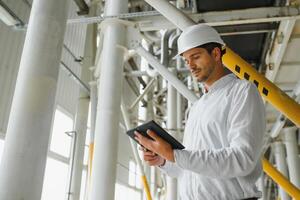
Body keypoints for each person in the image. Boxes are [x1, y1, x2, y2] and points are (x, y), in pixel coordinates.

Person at [134, 24, 266, 200]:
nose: (191, 66)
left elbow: (242, 159)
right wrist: (164, 160)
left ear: (216, 54)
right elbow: (192, 169)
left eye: (195, 57)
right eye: (187, 60)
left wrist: (174, 154)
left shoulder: (242, 91)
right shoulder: (196, 107)